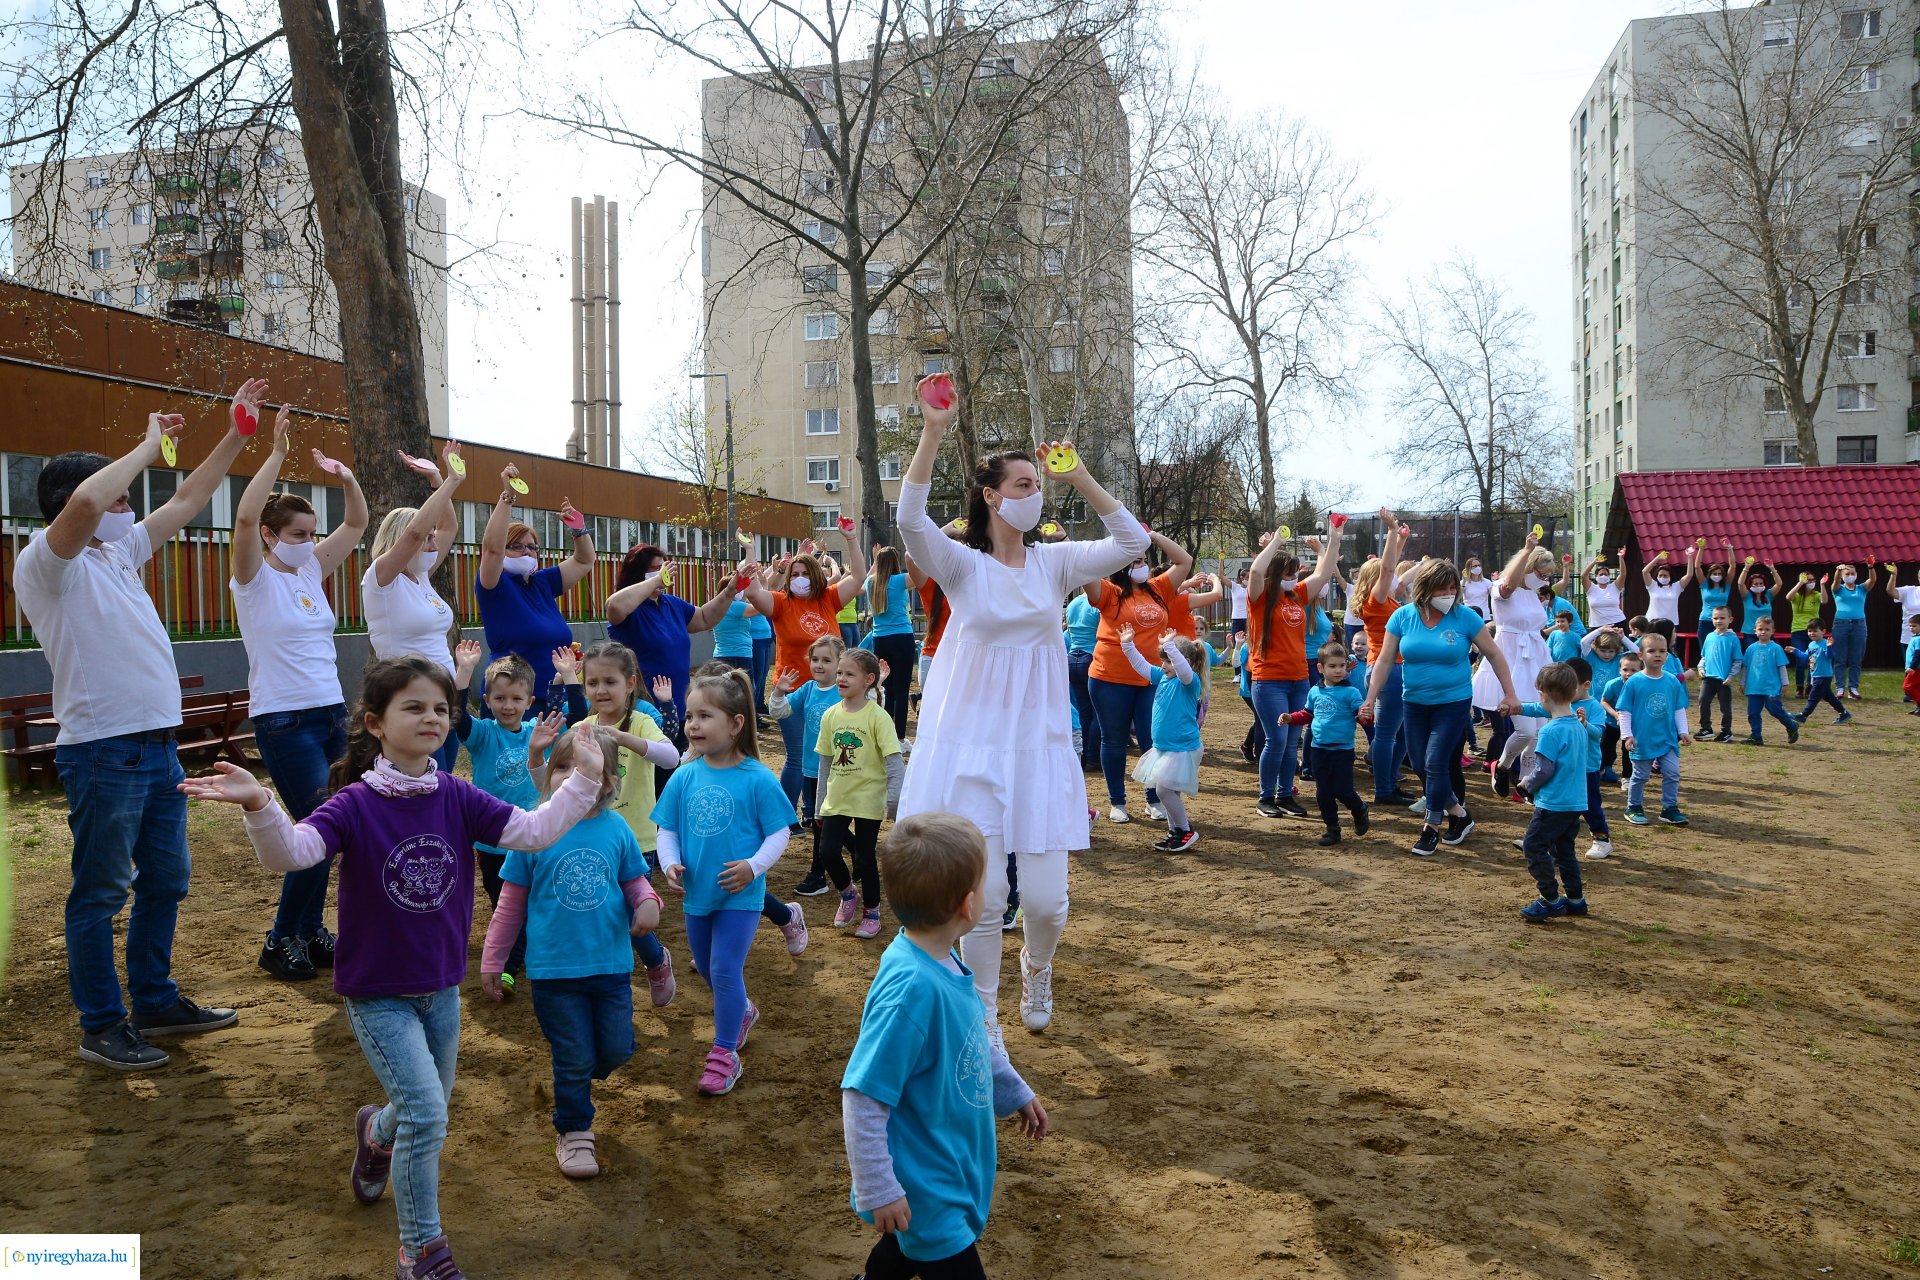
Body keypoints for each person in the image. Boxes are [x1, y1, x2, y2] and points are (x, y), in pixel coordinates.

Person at [182, 655, 607, 1280]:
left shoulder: (458, 796)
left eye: (441, 707)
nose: (432, 717)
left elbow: (535, 831)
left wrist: (584, 782)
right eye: (414, 707)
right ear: (376, 724)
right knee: (429, 1114)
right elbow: (293, 854)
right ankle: (421, 1251)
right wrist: (260, 806)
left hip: (441, 990)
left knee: (414, 1110)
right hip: (377, 993)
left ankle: (376, 1135)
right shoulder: (354, 804)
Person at [895, 373, 1147, 1038]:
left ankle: (1038, 966)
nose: (1032, 495)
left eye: (1037, 486)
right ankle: (982, 1006)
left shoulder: (1056, 563)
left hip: (1036, 745)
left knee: (1046, 902)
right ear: (990, 495)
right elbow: (908, 520)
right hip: (973, 745)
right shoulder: (960, 565)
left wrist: (1082, 480)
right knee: (987, 900)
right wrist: (932, 432)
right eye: (1024, 485)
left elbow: (1132, 544)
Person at [18, 390, 258, 1070]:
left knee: (166, 882)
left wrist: (236, 437)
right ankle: (102, 1025)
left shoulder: (118, 557)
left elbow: (186, 502)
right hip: (103, 753)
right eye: (124, 497)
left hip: (158, 750)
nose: (131, 509)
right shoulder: (46, 563)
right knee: (98, 893)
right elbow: (91, 504)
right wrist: (147, 445)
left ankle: (153, 1000)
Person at [840, 813, 1048, 1280]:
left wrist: (1014, 1091)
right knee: (934, 1246)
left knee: (905, 1249)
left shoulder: (940, 956)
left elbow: (969, 1036)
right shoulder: (911, 991)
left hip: (948, 1161)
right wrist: (878, 1187)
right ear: (967, 905)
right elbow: (862, 1093)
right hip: (926, 1181)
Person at [479, 724, 660, 1180]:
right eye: (562, 766)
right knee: (573, 1056)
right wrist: (493, 959)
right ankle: (574, 1128)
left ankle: (580, 1076)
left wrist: (648, 904)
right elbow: (509, 905)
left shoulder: (616, 829)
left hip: (611, 966)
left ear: (608, 781)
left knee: (616, 1050)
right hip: (553, 973)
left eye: (581, 767)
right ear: (548, 776)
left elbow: (634, 881)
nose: (569, 775)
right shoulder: (535, 831)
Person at [230, 406, 370, 982]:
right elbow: (240, 519)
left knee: (334, 830)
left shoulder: (310, 570)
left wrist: (346, 478)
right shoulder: (252, 578)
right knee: (315, 827)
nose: (309, 543)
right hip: (284, 721)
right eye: (297, 535)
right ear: (269, 535)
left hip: (332, 714)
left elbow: (358, 525)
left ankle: (310, 932)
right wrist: (277, 455)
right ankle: (280, 938)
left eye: (312, 535)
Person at [652, 669, 797, 1096]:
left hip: (740, 895)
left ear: (735, 723)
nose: (693, 725)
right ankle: (743, 1012)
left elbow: (780, 832)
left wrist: (754, 867)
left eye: (705, 716)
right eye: (690, 716)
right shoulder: (683, 775)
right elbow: (668, 829)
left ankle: (724, 1054)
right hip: (698, 894)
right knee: (713, 976)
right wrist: (670, 863)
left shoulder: (757, 777)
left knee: (723, 968)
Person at [1362, 559, 1522, 857]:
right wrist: (1370, 698)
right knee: (1421, 765)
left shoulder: (1465, 619)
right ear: (1426, 589)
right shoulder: (1402, 617)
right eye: (1442, 588)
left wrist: (1510, 693)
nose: (1448, 593)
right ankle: (1460, 815)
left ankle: (1431, 826)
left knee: (1436, 762)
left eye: (1453, 588)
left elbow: (1495, 655)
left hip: (1453, 702)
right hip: (1414, 702)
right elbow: (1384, 660)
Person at [572, 639, 689, 1002]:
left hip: (639, 838)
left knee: (629, 912)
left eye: (610, 682)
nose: (601, 690)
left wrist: (624, 738)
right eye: (592, 683)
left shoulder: (640, 722)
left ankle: (655, 961)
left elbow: (671, 756)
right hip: (594, 838)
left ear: (630, 683)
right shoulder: (584, 726)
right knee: (611, 911)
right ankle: (649, 961)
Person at [451, 645, 563, 994]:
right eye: (499, 698)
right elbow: (456, 716)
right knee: (504, 903)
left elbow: (569, 719)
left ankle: (511, 966)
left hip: (532, 837)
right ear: (487, 700)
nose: (508, 706)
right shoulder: (484, 734)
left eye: (516, 698)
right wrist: (464, 672)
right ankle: (518, 953)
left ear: (530, 702)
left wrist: (570, 678)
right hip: (493, 840)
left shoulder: (536, 732)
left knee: (533, 902)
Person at [741, 530, 868, 807]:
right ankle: (787, 815)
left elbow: (859, 576)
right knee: (798, 756)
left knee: (829, 754)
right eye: (795, 574)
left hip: (832, 694)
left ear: (816, 575)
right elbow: (751, 592)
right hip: (794, 692)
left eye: (805, 573)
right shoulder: (780, 603)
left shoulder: (829, 599)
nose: (800, 579)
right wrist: (750, 552)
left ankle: (816, 811)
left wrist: (851, 539)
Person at [363, 441, 466, 773]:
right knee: (422, 785)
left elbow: (448, 527)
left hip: (443, 699)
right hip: (409, 699)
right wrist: (452, 481)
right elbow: (415, 531)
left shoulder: (421, 576)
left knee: (443, 782)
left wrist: (437, 477)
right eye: (428, 539)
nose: (434, 544)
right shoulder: (382, 577)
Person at [1083, 529, 1194, 823]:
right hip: (1109, 677)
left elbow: (1184, 561)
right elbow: (1084, 570)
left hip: (1152, 678)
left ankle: (1152, 798)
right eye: (1134, 560)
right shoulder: (1109, 591)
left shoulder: (1158, 588)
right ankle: (1117, 802)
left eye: (1143, 559)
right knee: (1114, 739)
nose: (1141, 565)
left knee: (1152, 738)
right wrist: (1107, 546)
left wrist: (1154, 537)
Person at [1245, 517, 1346, 820]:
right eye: (1288, 572)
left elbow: (1324, 572)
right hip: (1269, 680)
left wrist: (1334, 537)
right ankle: (1265, 797)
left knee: (1291, 744)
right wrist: (1276, 542)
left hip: (1299, 679)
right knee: (1276, 740)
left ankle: (1284, 794)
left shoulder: (1297, 596)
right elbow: (1255, 570)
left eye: (1294, 572)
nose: (1293, 577)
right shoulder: (1260, 599)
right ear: (1277, 574)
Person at [474, 466, 596, 708]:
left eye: (532, 547)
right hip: (511, 701)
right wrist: (507, 495)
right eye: (517, 546)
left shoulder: (542, 581)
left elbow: (584, 560)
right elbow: (491, 548)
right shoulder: (493, 583)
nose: (526, 551)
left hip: (554, 696)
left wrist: (578, 530)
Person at [606, 544, 751, 727]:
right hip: (643, 712)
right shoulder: (631, 609)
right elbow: (614, 606)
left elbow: (705, 618)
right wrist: (656, 580)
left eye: (664, 567)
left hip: (680, 710)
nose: (664, 573)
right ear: (639, 572)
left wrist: (730, 591)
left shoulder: (671, 603)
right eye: (657, 569)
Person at [814, 648, 906, 939]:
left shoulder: (878, 717)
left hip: (868, 797)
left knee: (865, 858)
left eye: (848, 674)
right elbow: (825, 763)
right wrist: (818, 806)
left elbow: (894, 762)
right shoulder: (830, 715)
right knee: (827, 850)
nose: (840, 678)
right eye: (839, 673)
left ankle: (872, 912)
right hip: (837, 797)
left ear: (868, 680)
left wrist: (893, 802)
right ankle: (847, 894)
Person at [1473, 533, 1555, 798]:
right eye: (1541, 574)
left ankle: (1525, 784)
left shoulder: (1533, 594)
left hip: (1536, 660)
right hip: (1512, 662)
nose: (1544, 581)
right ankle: (1503, 766)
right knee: (1525, 729)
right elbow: (1508, 585)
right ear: (1528, 568)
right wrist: (1526, 548)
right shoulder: (1500, 589)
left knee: (1540, 730)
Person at [1514, 663, 1594, 922]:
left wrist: (1526, 783)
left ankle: (1550, 899)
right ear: (1573, 692)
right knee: (1565, 850)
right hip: (1575, 802)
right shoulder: (1579, 726)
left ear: (1543, 694)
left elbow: (1544, 769)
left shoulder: (1550, 730)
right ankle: (1575, 899)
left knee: (1533, 846)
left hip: (1554, 804)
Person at [1117, 625, 1206, 853]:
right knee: (1168, 791)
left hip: (1183, 749)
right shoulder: (1163, 677)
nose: (1163, 665)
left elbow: (1184, 671)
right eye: (1163, 660)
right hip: (1165, 748)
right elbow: (1141, 667)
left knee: (1163, 791)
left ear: (1183, 660)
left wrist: (1170, 646)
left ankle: (1184, 830)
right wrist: (1127, 645)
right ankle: (1174, 831)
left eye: (1168, 661)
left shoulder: (1190, 681)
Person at [1281, 641, 1370, 847]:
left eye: (1341, 665)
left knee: (1343, 790)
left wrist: (1365, 716)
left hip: (1343, 750)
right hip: (1319, 750)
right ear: (1320, 668)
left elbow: (1361, 716)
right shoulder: (1314, 691)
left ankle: (1359, 809)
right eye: (1332, 666)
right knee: (1324, 793)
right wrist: (1290, 718)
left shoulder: (1352, 693)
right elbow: (1307, 714)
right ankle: (1332, 829)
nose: (1338, 670)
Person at [773, 634, 847, 852]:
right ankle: (825, 865)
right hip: (814, 767)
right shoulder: (808, 688)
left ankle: (822, 867)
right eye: (815, 659)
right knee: (820, 819)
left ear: (839, 663)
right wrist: (779, 690)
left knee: (832, 818)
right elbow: (780, 711)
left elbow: (867, 709)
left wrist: (876, 687)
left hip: (840, 767)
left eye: (827, 660)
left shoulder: (843, 690)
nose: (819, 665)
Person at [1353, 546, 1413, 806]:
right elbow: (1390, 570)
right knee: (1388, 734)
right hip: (1387, 670)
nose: (1393, 580)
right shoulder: (1376, 600)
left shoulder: (1386, 599)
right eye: (1386, 577)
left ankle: (1388, 781)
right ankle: (1384, 788)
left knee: (1400, 734)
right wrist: (1391, 533)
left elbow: (1401, 576)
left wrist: (1402, 541)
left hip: (1391, 669)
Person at [1615, 632, 1693, 826]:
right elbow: (1624, 711)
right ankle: (1633, 806)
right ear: (1641, 655)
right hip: (1642, 739)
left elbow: (1678, 708)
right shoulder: (1634, 682)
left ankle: (1669, 808)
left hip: (1667, 739)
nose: (1657, 655)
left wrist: (1683, 731)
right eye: (1651, 651)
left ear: (1667, 654)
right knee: (1640, 776)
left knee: (1673, 773)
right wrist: (1627, 736)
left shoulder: (1672, 681)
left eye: (1662, 651)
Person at [866, 545, 919, 746]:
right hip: (901, 637)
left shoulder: (871, 583)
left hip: (880, 639)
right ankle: (900, 738)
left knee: (886, 689)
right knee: (901, 690)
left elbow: (868, 577)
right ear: (896, 562)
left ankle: (886, 737)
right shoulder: (899, 580)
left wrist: (875, 560)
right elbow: (919, 576)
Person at [1739, 618, 1799, 747]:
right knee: (1753, 712)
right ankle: (1756, 736)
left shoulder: (1776, 648)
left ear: (1773, 631)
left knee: (1774, 709)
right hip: (1754, 687)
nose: (1763, 632)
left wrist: (1785, 683)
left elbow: (1781, 667)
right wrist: (1742, 683)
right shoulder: (1750, 649)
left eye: (1767, 629)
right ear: (1755, 631)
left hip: (1771, 687)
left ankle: (1791, 725)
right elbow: (1745, 667)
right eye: (1760, 629)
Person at [1824, 562, 1876, 700]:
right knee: (1840, 658)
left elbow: (1873, 580)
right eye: (1847, 574)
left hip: (1859, 624)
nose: (1850, 576)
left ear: (1856, 575)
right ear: (1842, 576)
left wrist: (1871, 567)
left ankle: (1853, 688)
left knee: (1856, 658)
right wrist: (1837, 571)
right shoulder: (1838, 589)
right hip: (1840, 624)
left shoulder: (1861, 588)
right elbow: (1835, 581)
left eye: (1853, 574)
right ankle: (1840, 688)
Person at [1064, 586, 1102, 771]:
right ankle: (1094, 758)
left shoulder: (1073, 603)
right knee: (1098, 713)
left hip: (1072, 659)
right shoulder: (1098, 604)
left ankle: (1085, 756)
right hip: (1091, 658)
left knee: (1084, 713)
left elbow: (1069, 632)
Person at [1692, 606, 1742, 743]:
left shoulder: (1733, 638)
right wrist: (1701, 668)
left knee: (1725, 707)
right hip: (1708, 678)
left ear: (1730, 619)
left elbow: (1738, 660)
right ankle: (1706, 728)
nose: (1718, 621)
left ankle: (1726, 731)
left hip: (1723, 680)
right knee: (1703, 701)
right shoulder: (1709, 636)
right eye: (1715, 618)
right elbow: (1704, 656)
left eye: (1722, 618)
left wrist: (1731, 676)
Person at [1793, 620, 1851, 726]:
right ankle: (1844, 713)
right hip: (1815, 675)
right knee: (1830, 697)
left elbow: (1830, 656)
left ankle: (1803, 716)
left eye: (1815, 631)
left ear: (1823, 631)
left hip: (1823, 676)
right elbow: (1805, 657)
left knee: (1813, 697)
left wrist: (1829, 646)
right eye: (1809, 631)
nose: (1812, 633)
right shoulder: (1811, 644)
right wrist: (1795, 651)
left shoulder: (1825, 643)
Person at [1692, 540, 1736, 666]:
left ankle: (1720, 670)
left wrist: (1729, 548)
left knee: (1720, 649)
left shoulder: (1726, 585)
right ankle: (1706, 673)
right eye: (1714, 574)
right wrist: (1701, 549)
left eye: (1719, 574)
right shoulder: (1704, 584)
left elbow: (1732, 567)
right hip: (1705, 620)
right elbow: (1697, 567)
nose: (1717, 576)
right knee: (1705, 650)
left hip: (1722, 621)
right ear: (1709, 575)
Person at [1640, 549, 1691, 648]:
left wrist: (1689, 557)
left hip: (1671, 623)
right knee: (1650, 647)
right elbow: (1645, 571)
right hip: (1652, 622)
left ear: (1670, 577)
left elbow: (1689, 575)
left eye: (1665, 575)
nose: (1663, 577)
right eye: (1660, 575)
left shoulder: (1676, 587)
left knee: (1669, 649)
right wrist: (1658, 558)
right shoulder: (1652, 586)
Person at [1786, 572, 1824, 697]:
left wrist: (1823, 585)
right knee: (1801, 660)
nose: (1811, 583)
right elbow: (1788, 597)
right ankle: (1799, 687)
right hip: (1798, 631)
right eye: (1808, 580)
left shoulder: (1816, 595)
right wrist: (1800, 583)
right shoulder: (1797, 596)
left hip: (1813, 632)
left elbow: (1824, 600)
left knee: (1812, 660)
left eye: (1813, 580)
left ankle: (1809, 686)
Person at [1735, 560, 1784, 651]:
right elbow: (1740, 583)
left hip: (1767, 631)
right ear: (1750, 585)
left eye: (1761, 583)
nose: (1759, 585)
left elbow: (1779, 584)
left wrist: (1772, 568)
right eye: (1756, 584)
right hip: (1750, 632)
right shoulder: (1747, 595)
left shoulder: (1768, 594)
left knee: (1767, 654)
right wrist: (1746, 567)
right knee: (1752, 654)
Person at [1583, 556, 1626, 630]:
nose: (1603, 576)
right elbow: (1583, 576)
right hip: (1597, 625)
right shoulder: (1591, 588)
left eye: (1606, 574)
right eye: (1601, 574)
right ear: (1596, 576)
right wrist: (1594, 562)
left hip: (1617, 623)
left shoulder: (1614, 586)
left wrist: (1621, 558)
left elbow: (1623, 574)